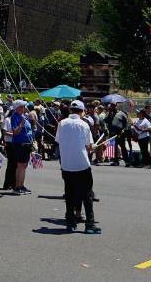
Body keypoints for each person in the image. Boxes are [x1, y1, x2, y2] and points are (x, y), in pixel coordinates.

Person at [55, 100, 100, 234]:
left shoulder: (61, 123)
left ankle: (70, 223)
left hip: (67, 164)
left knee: (69, 195)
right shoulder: (84, 124)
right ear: (82, 111)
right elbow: (88, 146)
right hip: (81, 164)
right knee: (87, 195)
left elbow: (59, 140)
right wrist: (93, 147)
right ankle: (89, 225)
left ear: (70, 110)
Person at [10, 100, 33, 194]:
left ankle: (21, 185)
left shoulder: (24, 116)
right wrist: (21, 124)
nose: (24, 108)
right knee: (20, 165)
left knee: (24, 165)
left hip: (27, 143)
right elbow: (15, 132)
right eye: (23, 106)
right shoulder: (14, 117)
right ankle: (17, 186)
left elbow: (29, 129)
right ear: (18, 108)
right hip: (19, 143)